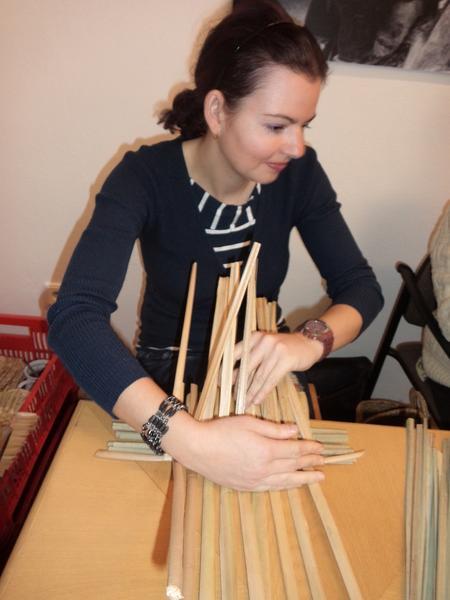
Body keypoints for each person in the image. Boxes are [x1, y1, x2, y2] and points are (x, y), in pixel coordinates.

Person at [47, 0, 383, 492]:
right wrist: (194, 442)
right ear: (218, 111)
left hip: (259, 374)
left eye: (304, 125)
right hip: (165, 380)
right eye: (277, 126)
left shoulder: (299, 175)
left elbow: (361, 288)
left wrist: (309, 341)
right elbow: (74, 318)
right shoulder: (143, 178)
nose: (297, 147)